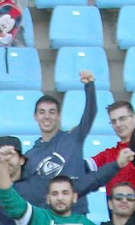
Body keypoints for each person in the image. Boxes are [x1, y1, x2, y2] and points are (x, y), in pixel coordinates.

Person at [24, 72, 100, 200]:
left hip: (76, 211)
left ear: (59, 116)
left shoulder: (73, 138)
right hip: (48, 216)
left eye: (52, 112)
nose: (47, 116)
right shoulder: (29, 157)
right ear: (35, 117)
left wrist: (89, 86)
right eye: (42, 112)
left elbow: (90, 113)